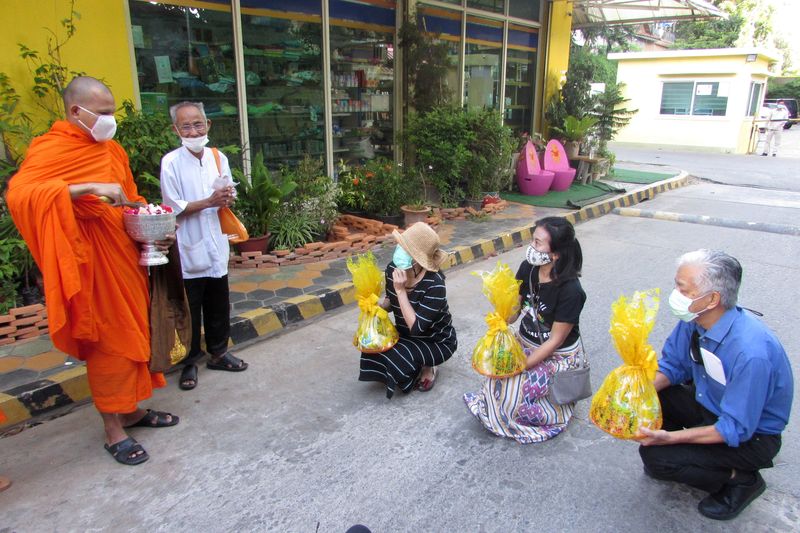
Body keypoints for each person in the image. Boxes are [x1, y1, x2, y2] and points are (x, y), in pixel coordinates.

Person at [7, 76, 179, 466]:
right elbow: (20, 195)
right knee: (108, 345)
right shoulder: (51, 149)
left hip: (122, 255)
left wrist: (154, 228)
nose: (110, 120)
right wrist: (84, 188)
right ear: (75, 112)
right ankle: (113, 429)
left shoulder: (112, 149)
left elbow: (128, 199)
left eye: (112, 111)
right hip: (89, 262)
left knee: (135, 333)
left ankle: (132, 410)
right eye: (102, 113)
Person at [638, 250, 793, 521]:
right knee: (655, 396)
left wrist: (669, 439)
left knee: (656, 458)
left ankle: (741, 480)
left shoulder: (750, 352)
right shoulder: (695, 320)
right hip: (713, 404)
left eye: (682, 288)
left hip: (752, 435)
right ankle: (683, 456)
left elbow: (735, 427)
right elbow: (673, 367)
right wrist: (631, 393)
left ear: (712, 299)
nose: (674, 294)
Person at [464, 216, 586, 443]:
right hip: (524, 342)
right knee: (495, 378)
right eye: (533, 240)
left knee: (518, 396)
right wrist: (500, 319)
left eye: (538, 243)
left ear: (556, 253)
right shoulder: (528, 268)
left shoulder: (571, 291)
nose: (532, 247)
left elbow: (555, 341)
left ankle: (552, 412)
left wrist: (519, 366)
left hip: (555, 355)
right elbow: (515, 313)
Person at [160, 101, 247, 391]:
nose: (194, 130)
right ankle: (189, 362)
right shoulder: (171, 162)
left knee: (218, 302)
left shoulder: (217, 156)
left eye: (198, 123)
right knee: (189, 309)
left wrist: (227, 197)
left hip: (215, 241)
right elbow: (172, 206)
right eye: (186, 125)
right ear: (176, 129)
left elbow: (228, 190)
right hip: (188, 245)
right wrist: (209, 202)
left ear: (208, 125)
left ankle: (219, 352)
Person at [358, 222, 457, 398]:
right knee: (371, 345)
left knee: (398, 358)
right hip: (405, 335)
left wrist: (401, 290)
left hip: (436, 341)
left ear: (417, 260)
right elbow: (391, 301)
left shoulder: (435, 284)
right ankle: (413, 362)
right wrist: (376, 306)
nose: (399, 251)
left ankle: (429, 366)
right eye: (400, 245)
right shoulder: (392, 270)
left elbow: (417, 327)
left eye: (406, 249)